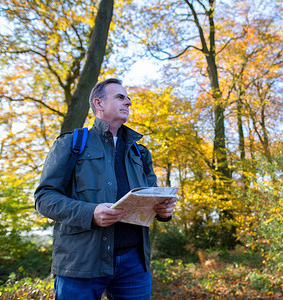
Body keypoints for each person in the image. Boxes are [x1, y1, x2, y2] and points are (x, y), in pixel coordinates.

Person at [34, 78, 177, 300]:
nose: (128, 102)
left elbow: (152, 198)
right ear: (99, 104)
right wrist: (90, 213)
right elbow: (44, 198)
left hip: (134, 264)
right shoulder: (70, 144)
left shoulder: (140, 152)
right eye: (120, 97)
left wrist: (163, 212)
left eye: (128, 98)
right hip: (80, 262)